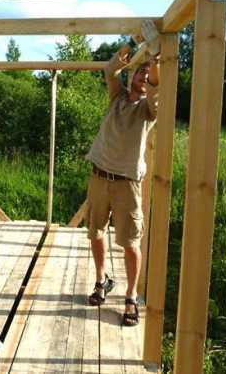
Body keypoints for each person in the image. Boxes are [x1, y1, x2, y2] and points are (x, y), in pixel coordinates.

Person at [84, 20, 160, 327]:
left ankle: (131, 296)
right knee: (95, 232)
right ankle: (101, 280)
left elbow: (157, 88)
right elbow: (109, 70)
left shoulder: (149, 109)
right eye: (140, 71)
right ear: (132, 75)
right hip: (99, 176)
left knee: (130, 242)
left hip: (127, 184)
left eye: (148, 74)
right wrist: (132, 40)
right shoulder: (117, 97)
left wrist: (155, 56)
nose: (143, 77)